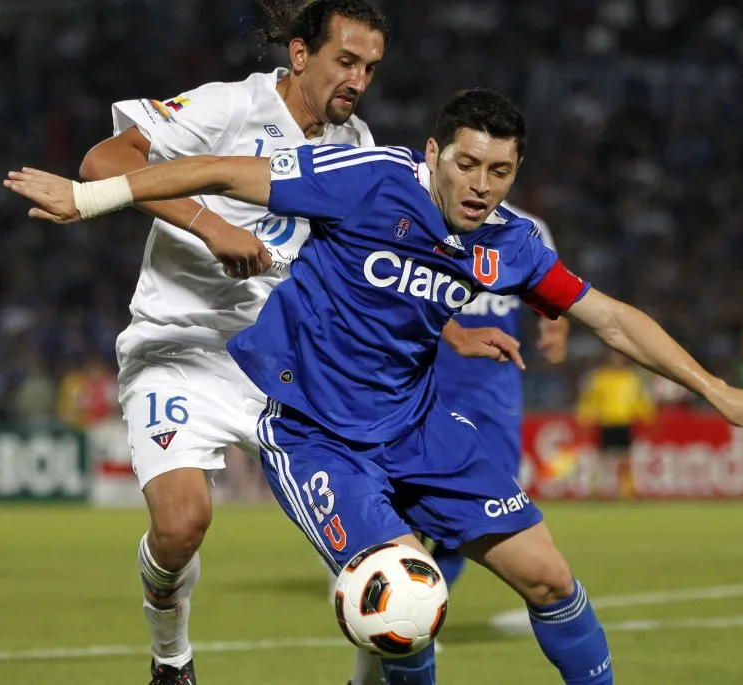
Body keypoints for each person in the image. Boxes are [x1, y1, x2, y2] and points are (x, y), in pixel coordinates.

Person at [5, 87, 743, 685]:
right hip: (319, 438)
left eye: (500, 170)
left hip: (419, 427)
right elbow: (219, 170)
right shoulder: (366, 180)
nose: (480, 184)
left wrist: (714, 388)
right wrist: (91, 196)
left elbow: (614, 319)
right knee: (407, 606)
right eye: (466, 163)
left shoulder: (513, 245)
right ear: (432, 153)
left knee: (551, 576)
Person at [72, 2, 517, 683]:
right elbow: (106, 160)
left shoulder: (358, 146)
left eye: (370, 67)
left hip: (284, 364)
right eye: (346, 61)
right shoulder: (230, 106)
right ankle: (170, 656)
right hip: (179, 348)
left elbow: (378, 269)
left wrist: (451, 327)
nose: (359, 79)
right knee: (181, 523)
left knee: (380, 549)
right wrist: (208, 225)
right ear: (302, 55)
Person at [429, 205, 568, 593]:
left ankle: (429, 597)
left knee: (487, 505)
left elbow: (555, 292)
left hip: (496, 391)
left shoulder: (530, 228)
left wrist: (555, 327)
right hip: (430, 382)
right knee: (411, 501)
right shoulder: (424, 217)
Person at [576, 350, 656, 498]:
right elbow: (591, 399)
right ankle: (596, 488)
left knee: (625, 458)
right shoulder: (600, 378)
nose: (617, 362)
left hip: (624, 421)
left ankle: (626, 490)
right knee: (602, 458)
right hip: (606, 421)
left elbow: (639, 400)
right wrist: (585, 417)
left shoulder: (631, 378)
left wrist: (648, 416)